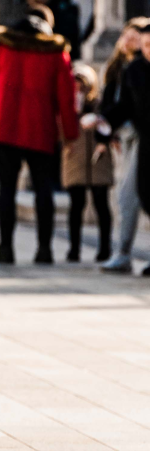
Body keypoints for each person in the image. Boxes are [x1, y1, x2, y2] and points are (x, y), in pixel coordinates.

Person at [0, 6, 79, 265]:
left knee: (6, 189)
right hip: (39, 128)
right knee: (44, 188)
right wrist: (70, 134)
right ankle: (45, 249)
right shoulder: (55, 52)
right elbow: (66, 98)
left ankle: (5, 248)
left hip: (4, 128)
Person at [99, 23, 150, 276]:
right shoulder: (135, 70)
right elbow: (125, 106)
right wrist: (103, 123)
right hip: (143, 143)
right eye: (146, 45)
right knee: (135, 195)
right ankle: (123, 254)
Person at [61, 64, 113, 263]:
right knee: (76, 205)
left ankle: (105, 249)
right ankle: (74, 249)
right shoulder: (66, 106)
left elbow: (111, 126)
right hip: (75, 159)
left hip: (98, 160)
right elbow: (59, 132)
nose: (78, 88)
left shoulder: (101, 104)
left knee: (101, 204)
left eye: (82, 84)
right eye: (75, 83)